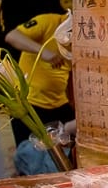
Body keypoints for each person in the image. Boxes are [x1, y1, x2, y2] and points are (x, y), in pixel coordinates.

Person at [4, 13, 75, 146]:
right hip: (31, 104)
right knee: (33, 154)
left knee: (66, 150)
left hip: (59, 102)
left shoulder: (83, 35)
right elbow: (12, 36)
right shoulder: (48, 21)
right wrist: (42, 51)